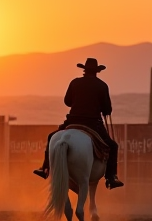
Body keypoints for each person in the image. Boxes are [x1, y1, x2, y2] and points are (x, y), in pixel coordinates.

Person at [33, 58, 124, 190]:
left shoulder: (75, 82)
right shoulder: (102, 85)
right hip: (93, 123)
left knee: (51, 137)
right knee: (113, 145)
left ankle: (45, 168)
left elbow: (67, 102)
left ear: (84, 70)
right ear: (97, 71)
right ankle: (111, 177)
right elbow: (107, 109)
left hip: (73, 121)